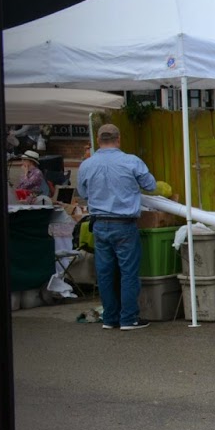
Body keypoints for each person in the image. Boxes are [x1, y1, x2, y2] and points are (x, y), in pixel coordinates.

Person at [76, 123, 158, 330]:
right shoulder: (132, 161)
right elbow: (151, 185)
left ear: (98, 140)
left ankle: (110, 318)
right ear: (118, 139)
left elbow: (83, 193)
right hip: (124, 224)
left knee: (104, 273)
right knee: (128, 272)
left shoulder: (86, 165)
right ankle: (129, 318)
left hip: (99, 224)